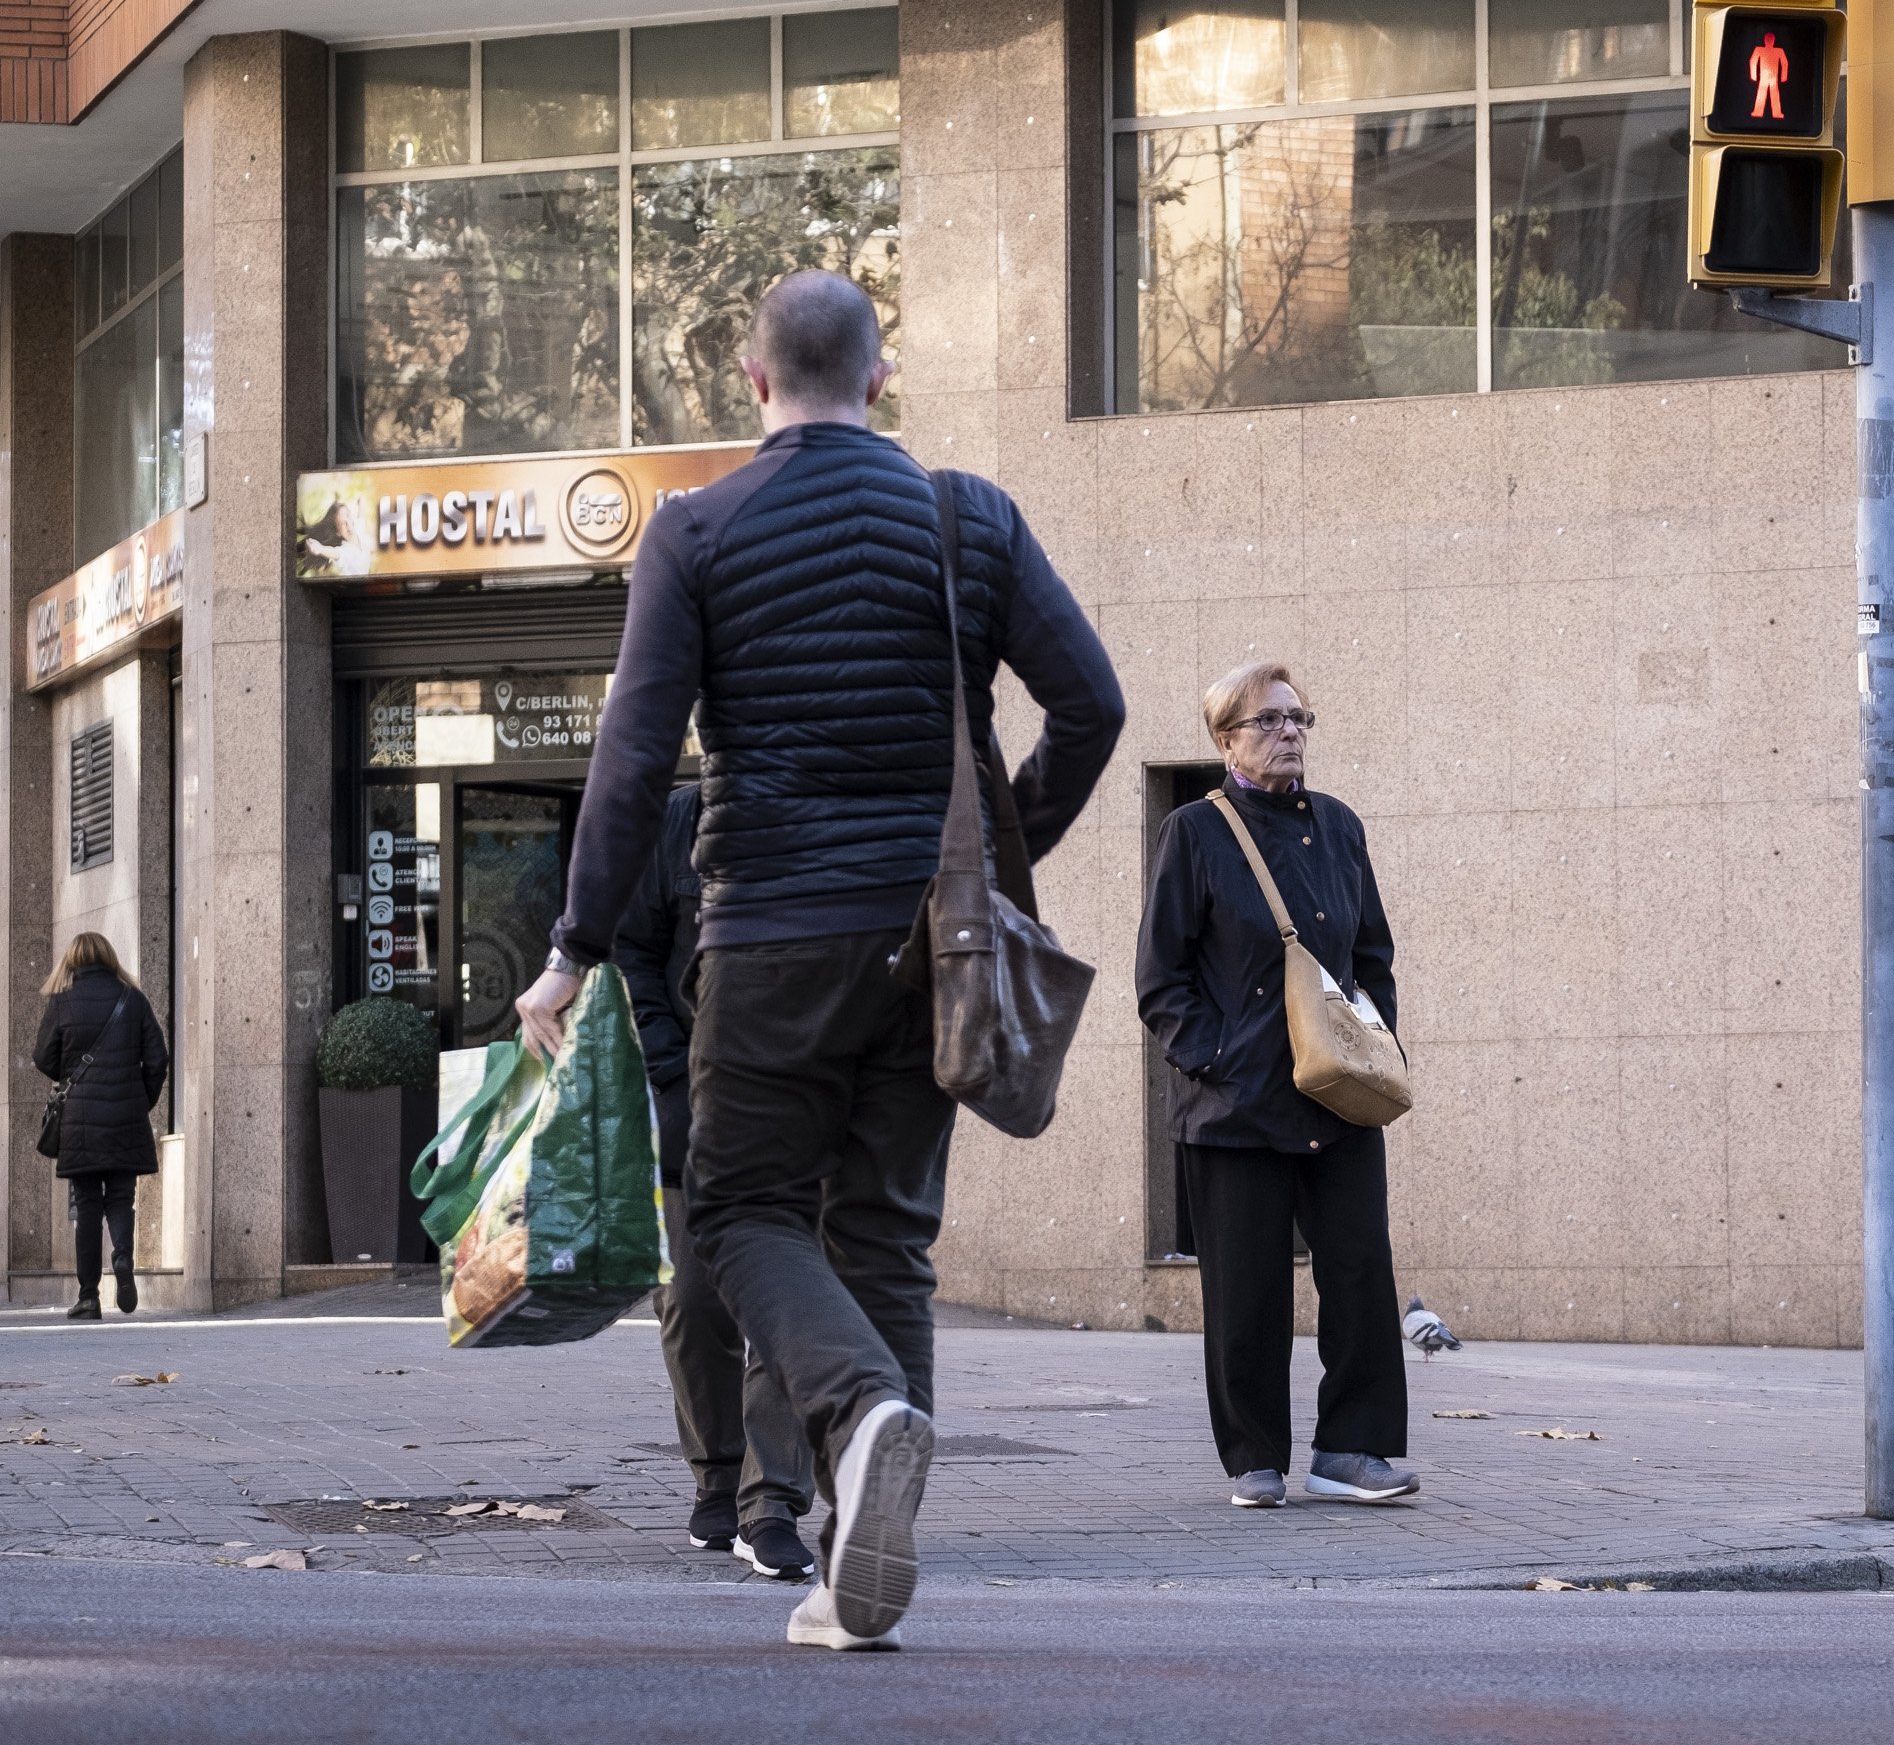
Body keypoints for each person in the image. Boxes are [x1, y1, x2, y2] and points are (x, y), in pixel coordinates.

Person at [512, 271, 1124, 1651]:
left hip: (773, 933)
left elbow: (631, 757)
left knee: (735, 1213)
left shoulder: (698, 530)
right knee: (889, 1231)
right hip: (932, 937)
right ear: (881, 373)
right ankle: (861, 1565)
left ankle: (854, 1418)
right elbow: (1092, 703)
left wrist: (575, 949)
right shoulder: (971, 517)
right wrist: (1001, 866)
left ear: (750, 378)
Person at [1134, 661, 1414, 1510]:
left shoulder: (1339, 827)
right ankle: (1253, 1455)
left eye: (1299, 718)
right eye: (1269, 721)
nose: (1290, 732)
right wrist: (1219, 1062)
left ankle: (1352, 1449)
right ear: (1227, 739)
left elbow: (1372, 956)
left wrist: (1375, 1043)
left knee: (1361, 1273)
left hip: (1337, 1095)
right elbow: (1161, 982)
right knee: (1246, 1290)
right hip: (1234, 1106)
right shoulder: (1194, 831)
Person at [613, 780, 818, 1582]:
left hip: (802, 1097)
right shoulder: (675, 820)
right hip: (689, 1099)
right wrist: (669, 1071)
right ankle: (720, 1473)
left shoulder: (824, 811)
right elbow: (631, 951)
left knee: (786, 1303)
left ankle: (771, 1503)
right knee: (693, 1299)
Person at [32, 933, 170, 1322]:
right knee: (121, 1198)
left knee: (88, 1204)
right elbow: (158, 1059)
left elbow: (43, 1057)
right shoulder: (132, 998)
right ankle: (123, 1257)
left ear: (72, 961)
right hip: (126, 1115)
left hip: (80, 1121)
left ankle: (88, 1296)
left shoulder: (63, 1001)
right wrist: (141, 1100)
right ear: (109, 958)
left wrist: (72, 1076)